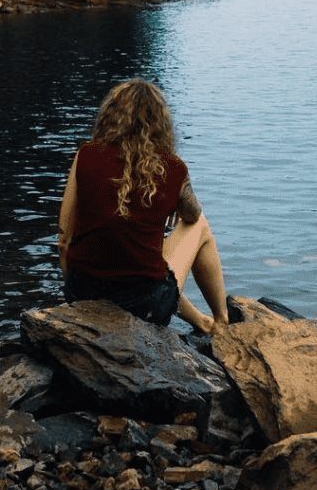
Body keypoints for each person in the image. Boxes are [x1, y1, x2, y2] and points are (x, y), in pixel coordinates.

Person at [58, 79, 229, 334]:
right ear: (161, 124)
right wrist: (171, 203)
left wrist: (79, 286)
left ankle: (202, 322)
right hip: (144, 306)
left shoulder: (86, 154)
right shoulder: (173, 167)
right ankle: (222, 321)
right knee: (199, 227)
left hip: (80, 293)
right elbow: (192, 215)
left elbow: (63, 239)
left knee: (142, 262)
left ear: (110, 116)